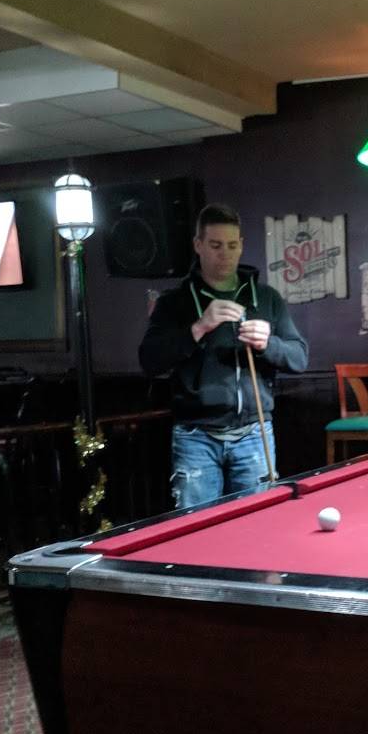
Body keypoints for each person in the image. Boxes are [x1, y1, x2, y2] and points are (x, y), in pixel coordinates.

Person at [139, 202, 309, 508]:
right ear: (198, 245)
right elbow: (149, 361)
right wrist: (198, 328)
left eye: (232, 245)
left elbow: (299, 358)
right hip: (195, 437)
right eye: (216, 245)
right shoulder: (174, 303)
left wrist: (268, 344)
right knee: (196, 528)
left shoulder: (265, 298)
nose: (225, 254)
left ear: (241, 245)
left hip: (254, 433)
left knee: (259, 525)